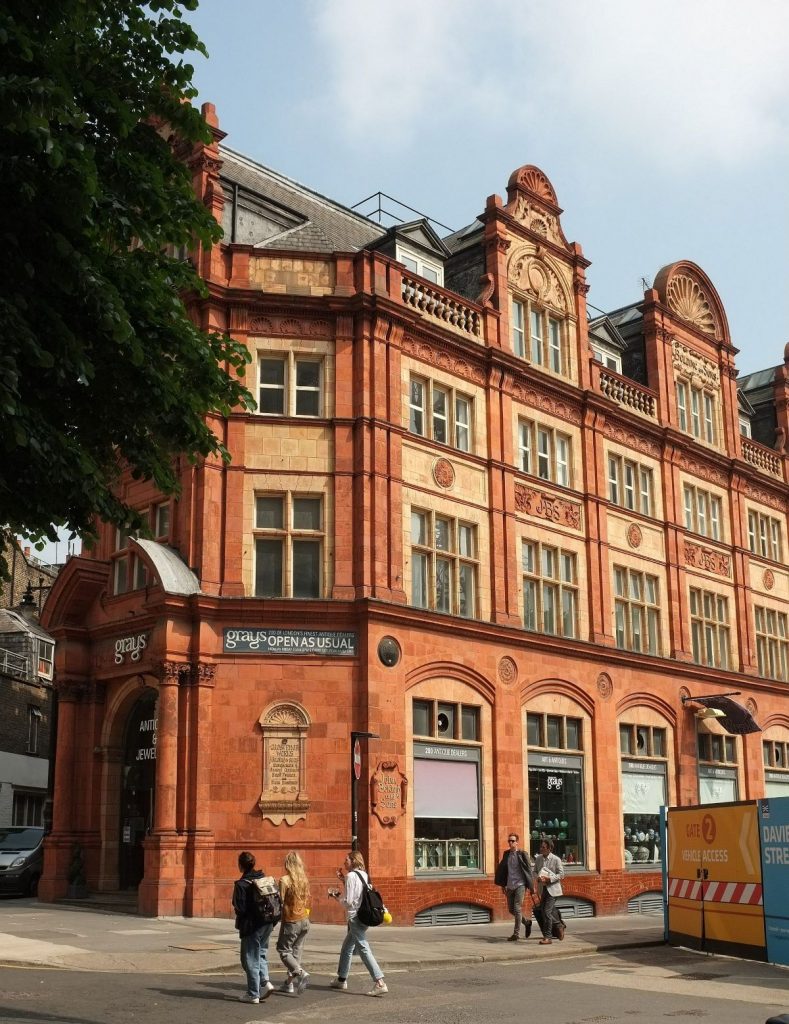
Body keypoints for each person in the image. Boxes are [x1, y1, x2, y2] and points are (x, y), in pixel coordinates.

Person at [328, 850, 388, 996]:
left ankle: (380, 982)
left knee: (363, 948)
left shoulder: (350, 876)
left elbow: (349, 902)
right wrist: (343, 880)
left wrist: (336, 896)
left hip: (355, 917)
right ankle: (341, 979)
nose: (344, 862)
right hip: (364, 916)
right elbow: (359, 891)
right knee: (347, 947)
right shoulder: (363, 875)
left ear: (353, 861)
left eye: (346, 860)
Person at [232, 851, 274, 1003]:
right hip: (268, 922)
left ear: (240, 866)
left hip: (252, 925)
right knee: (261, 953)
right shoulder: (263, 878)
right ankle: (265, 982)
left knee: (249, 959)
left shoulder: (241, 885)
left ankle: (253, 994)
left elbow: (240, 909)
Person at [276, 851, 311, 995]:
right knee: (295, 954)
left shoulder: (284, 880)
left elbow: (280, 901)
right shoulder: (303, 879)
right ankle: (289, 984)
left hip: (291, 921)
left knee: (283, 951)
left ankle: (301, 973)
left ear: (288, 864)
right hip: (304, 920)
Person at [494, 832, 535, 941]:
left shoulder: (522, 854)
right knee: (511, 910)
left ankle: (516, 934)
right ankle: (527, 923)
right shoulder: (506, 854)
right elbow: (504, 870)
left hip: (520, 885)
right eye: (509, 841)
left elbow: (528, 871)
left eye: (512, 841)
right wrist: (503, 884)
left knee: (517, 909)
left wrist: (531, 887)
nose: (510, 843)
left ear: (517, 842)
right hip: (510, 885)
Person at [534, 838, 565, 945]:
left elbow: (561, 875)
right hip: (543, 889)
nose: (541, 849)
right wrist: (538, 878)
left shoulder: (556, 859)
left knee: (546, 912)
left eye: (543, 847)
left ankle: (548, 937)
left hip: (553, 889)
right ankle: (559, 925)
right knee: (543, 911)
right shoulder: (538, 859)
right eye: (541, 847)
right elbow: (534, 871)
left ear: (549, 848)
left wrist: (549, 879)